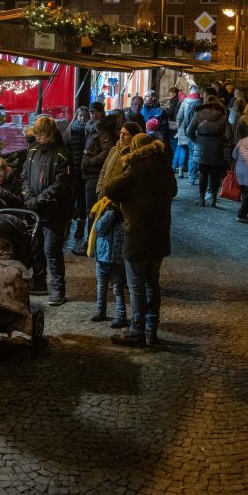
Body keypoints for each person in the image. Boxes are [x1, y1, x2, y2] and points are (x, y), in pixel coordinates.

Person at [103, 133, 177, 347]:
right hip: (160, 233)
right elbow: (173, 191)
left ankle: (136, 330)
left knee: (136, 285)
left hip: (137, 233)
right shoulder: (165, 166)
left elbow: (110, 188)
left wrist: (124, 160)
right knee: (153, 283)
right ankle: (151, 329)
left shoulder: (134, 168)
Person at [20, 115, 73, 306]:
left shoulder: (62, 154)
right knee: (36, 248)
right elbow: (24, 175)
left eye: (41, 134)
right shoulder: (33, 151)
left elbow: (61, 185)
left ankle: (58, 288)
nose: (38, 137)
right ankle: (40, 282)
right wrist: (28, 197)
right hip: (35, 209)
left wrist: (39, 200)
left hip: (54, 211)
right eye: (37, 134)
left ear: (50, 134)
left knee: (51, 249)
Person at [89, 200, 128, 328]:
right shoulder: (105, 213)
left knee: (117, 289)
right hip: (102, 258)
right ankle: (100, 311)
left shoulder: (126, 217)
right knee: (101, 286)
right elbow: (98, 227)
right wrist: (110, 213)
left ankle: (120, 315)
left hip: (117, 261)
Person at [186, 96, 231, 208]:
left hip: (202, 146)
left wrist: (196, 140)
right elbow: (229, 134)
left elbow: (189, 130)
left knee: (203, 174)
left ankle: (201, 199)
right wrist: (222, 141)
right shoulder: (223, 117)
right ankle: (214, 200)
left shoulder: (198, 114)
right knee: (215, 175)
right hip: (217, 147)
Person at [80, 114, 118, 241]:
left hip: (93, 175)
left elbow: (107, 151)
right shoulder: (91, 130)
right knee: (90, 209)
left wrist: (91, 161)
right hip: (89, 174)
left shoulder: (102, 133)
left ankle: (90, 241)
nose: (93, 115)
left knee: (92, 210)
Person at [67, 107, 92, 253]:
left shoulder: (90, 131)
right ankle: (68, 227)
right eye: (80, 116)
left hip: (86, 172)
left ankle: (80, 229)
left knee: (83, 202)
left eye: (85, 116)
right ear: (76, 116)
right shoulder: (71, 131)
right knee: (71, 199)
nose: (82, 118)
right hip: (74, 171)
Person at [173, 84, 201, 180]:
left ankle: (181, 171)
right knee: (195, 152)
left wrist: (178, 127)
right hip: (197, 131)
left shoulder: (185, 102)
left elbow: (179, 117)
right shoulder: (200, 102)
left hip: (184, 129)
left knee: (184, 150)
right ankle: (193, 173)